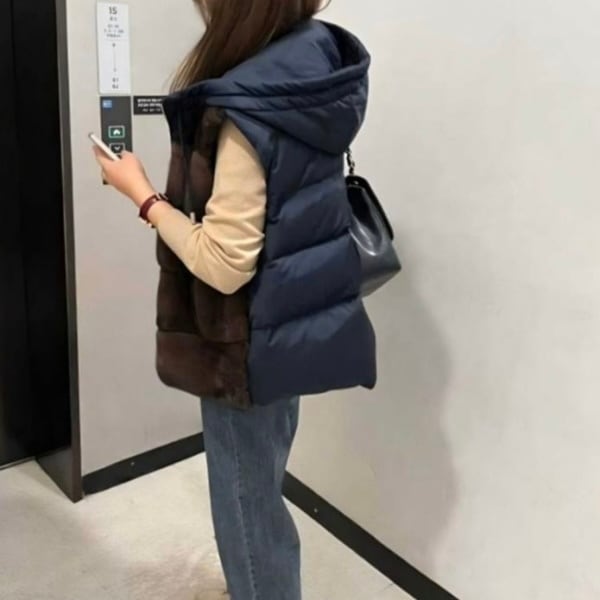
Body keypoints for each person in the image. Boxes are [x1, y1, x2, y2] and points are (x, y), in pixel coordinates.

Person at [93, 1, 376, 598]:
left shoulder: (247, 107)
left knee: (247, 513)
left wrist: (142, 196)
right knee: (262, 487)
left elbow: (224, 265)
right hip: (286, 321)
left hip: (241, 341)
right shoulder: (312, 58)